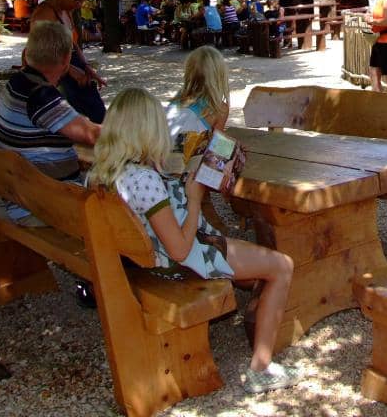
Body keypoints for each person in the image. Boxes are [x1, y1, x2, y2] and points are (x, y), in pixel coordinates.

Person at [87, 85, 299, 394]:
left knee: (254, 262)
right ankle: (262, 368)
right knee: (282, 266)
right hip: (177, 262)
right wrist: (195, 197)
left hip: (140, 261)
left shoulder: (102, 173)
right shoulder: (144, 180)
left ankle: (257, 306)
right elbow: (180, 248)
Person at [0, 21, 101, 186]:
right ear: (66, 59)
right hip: (45, 195)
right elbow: (91, 134)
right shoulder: (42, 96)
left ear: (28, 52)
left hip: (18, 185)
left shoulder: (16, 82)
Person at [30, 0, 107, 123]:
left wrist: (86, 67)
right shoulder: (45, 14)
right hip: (57, 71)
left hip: (70, 65)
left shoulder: (66, 11)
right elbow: (41, 56)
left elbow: (72, 42)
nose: (79, 5)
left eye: (83, 0)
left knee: (98, 114)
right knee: (83, 119)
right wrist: (70, 70)